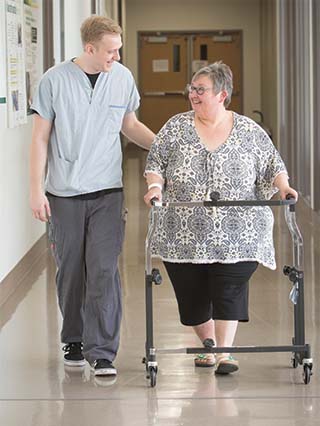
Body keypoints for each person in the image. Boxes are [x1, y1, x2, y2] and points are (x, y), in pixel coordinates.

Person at [144, 61, 297, 375]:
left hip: (239, 232)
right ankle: (208, 345)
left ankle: (226, 352)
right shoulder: (175, 126)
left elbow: (273, 165)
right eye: (192, 89)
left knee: (228, 287)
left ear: (222, 94)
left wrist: (284, 188)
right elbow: (155, 161)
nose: (193, 95)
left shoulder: (249, 131)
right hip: (183, 231)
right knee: (192, 293)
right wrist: (155, 188)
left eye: (201, 90)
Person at [30, 15, 155, 377]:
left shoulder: (122, 78)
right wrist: (36, 190)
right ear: (89, 48)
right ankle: (73, 337)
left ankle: (101, 351)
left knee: (103, 269)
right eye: (110, 51)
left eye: (118, 50)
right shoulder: (54, 81)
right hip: (64, 193)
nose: (116, 57)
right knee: (71, 271)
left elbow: (129, 125)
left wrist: (165, 146)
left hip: (107, 191)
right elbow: (39, 138)